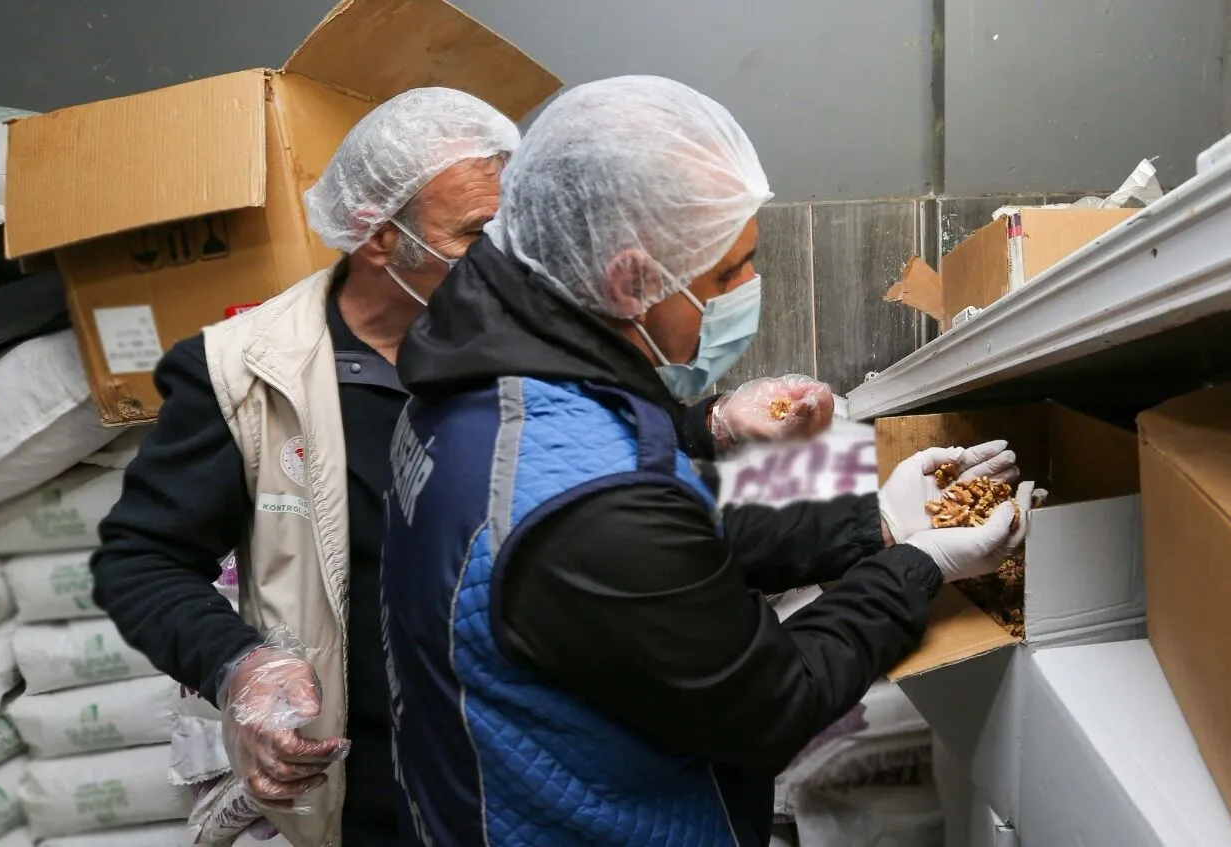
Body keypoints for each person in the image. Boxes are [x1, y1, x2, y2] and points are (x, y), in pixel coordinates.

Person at [91, 85, 839, 846]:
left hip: (536, 750)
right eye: (478, 231)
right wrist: (238, 665)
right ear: (378, 237)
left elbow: (559, 454)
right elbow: (143, 560)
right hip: (373, 769)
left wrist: (705, 424)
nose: (510, 250)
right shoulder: (254, 372)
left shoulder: (519, 328)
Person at [380, 75, 1042, 846]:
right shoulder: (586, 500)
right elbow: (772, 701)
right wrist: (919, 564)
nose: (750, 288)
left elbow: (676, 542)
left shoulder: (483, 386)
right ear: (629, 279)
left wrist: (879, 522)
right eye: (728, 271)